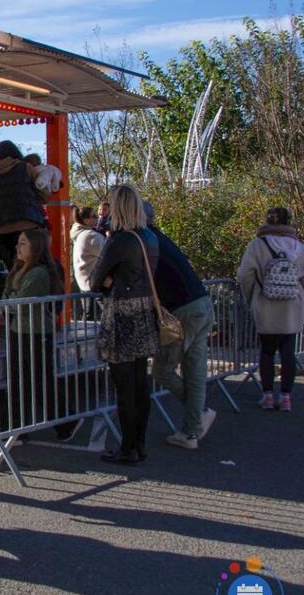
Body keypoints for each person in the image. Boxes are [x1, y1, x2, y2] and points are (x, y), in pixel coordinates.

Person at [89, 184, 159, 465]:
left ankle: (128, 446)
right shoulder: (149, 238)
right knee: (141, 383)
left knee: (124, 386)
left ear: (117, 209)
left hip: (121, 314)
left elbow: (96, 280)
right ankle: (138, 443)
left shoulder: (119, 241)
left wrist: (110, 281)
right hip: (144, 311)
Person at [144, 202, 217, 448]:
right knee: (195, 371)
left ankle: (197, 419)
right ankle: (192, 429)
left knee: (163, 370)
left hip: (183, 311)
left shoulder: (145, 242)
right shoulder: (160, 238)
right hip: (202, 304)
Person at [2, 228, 81, 442]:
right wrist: (10, 300)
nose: (18, 247)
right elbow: (7, 297)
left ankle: (67, 419)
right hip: (19, 330)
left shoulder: (38, 273)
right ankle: (20, 427)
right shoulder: (19, 269)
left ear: (35, 247)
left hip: (36, 332)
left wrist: (10, 300)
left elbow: (18, 302)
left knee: (40, 380)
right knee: (21, 380)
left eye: (23, 243)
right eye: (18, 243)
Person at [237, 207, 304, 412]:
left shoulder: (257, 245)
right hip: (292, 305)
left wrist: (251, 296)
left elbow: (244, 275)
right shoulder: (299, 247)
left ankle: (267, 395)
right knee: (288, 351)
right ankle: (286, 397)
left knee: (266, 351)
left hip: (265, 302)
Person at [0, 141, 47, 271]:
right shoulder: (26, 167)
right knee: (34, 270)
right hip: (29, 227)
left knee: (15, 272)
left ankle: (16, 290)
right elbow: (44, 195)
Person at [70, 205, 106, 319]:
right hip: (94, 284)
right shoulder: (91, 236)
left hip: (84, 283)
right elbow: (109, 253)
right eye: (94, 216)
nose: (97, 218)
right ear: (86, 220)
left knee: (89, 316)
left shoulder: (79, 235)